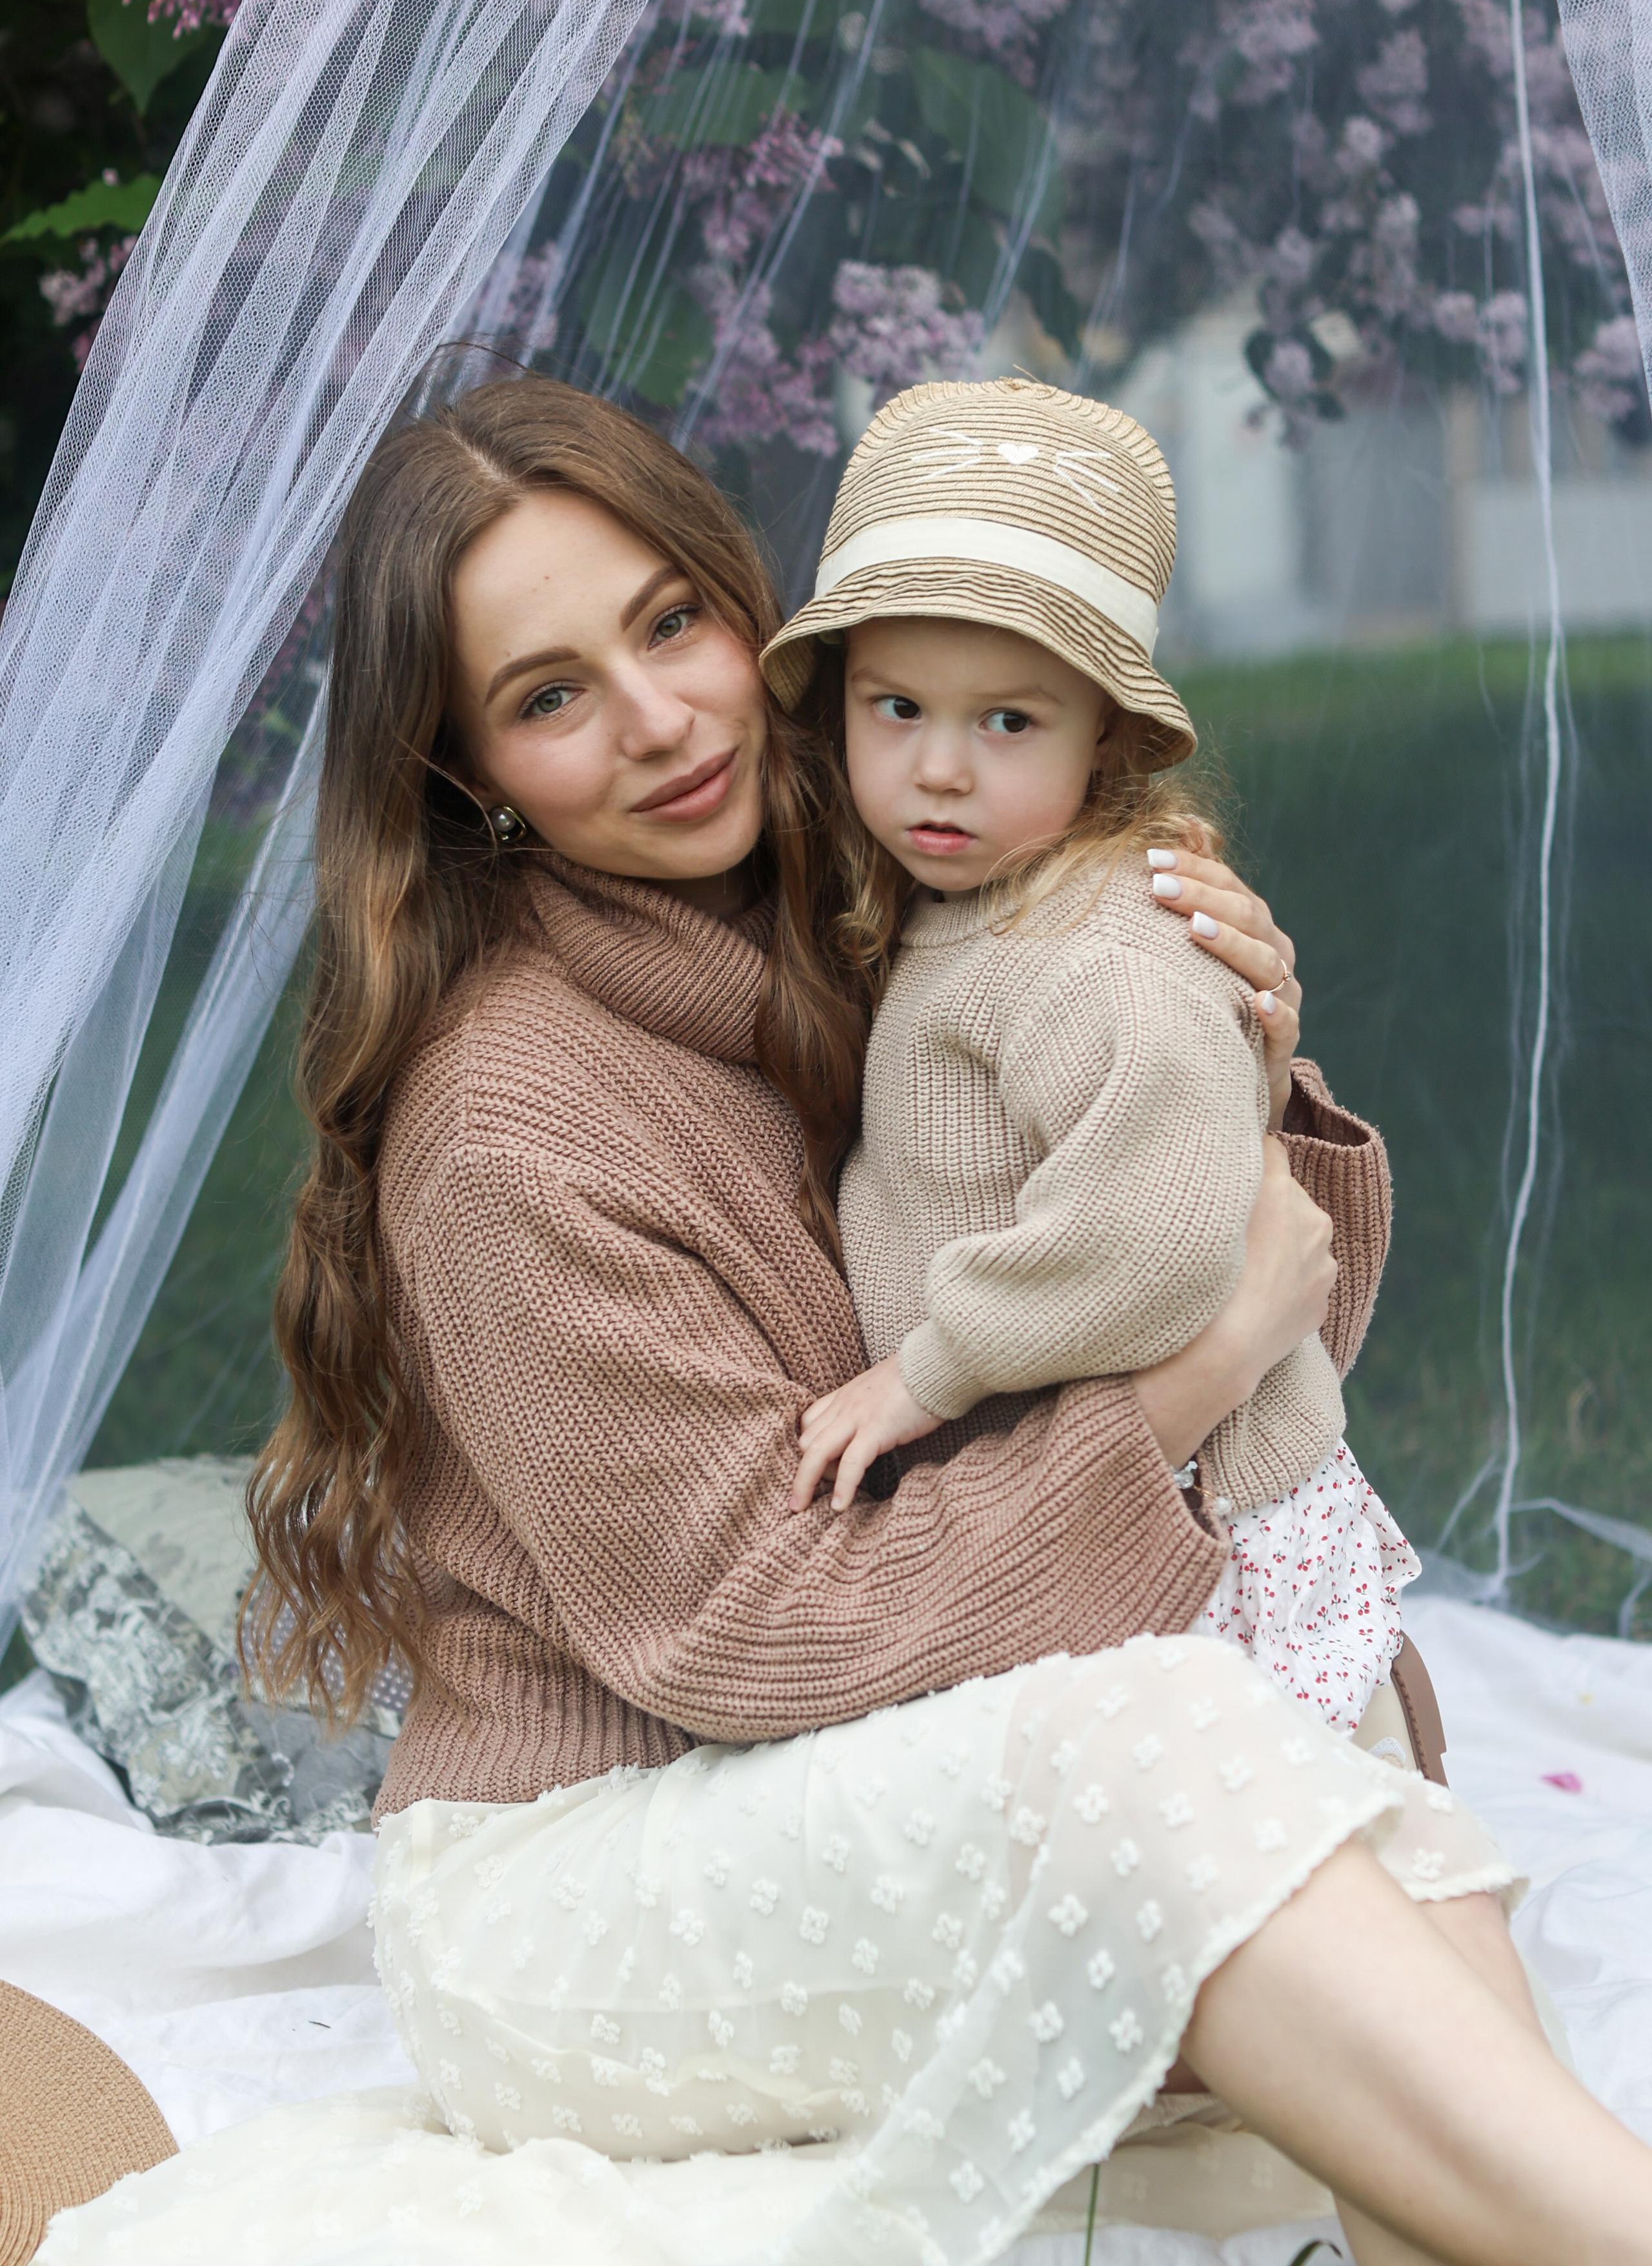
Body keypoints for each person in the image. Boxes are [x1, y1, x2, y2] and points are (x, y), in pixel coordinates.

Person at [45, 373, 1652, 2266]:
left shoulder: (881, 907)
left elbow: (1213, 1329)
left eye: (670, 626)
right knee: (1154, 1760)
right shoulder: (506, 1126)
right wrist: (1186, 1374)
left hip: (860, 1748)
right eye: (551, 696)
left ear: (751, 614)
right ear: (465, 772)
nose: (658, 723)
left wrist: (1233, 1067)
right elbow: (752, 1619)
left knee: (1333, 1728)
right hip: (593, 1876)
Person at [777, 378, 1415, 1741]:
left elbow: (1157, 1233)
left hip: (1212, 1525)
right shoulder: (967, 912)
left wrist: (926, 1372)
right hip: (1124, 1488)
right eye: (896, 708)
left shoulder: (1098, 948)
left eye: (1007, 723)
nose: (938, 771)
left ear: (1104, 745)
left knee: (1288, 1831)